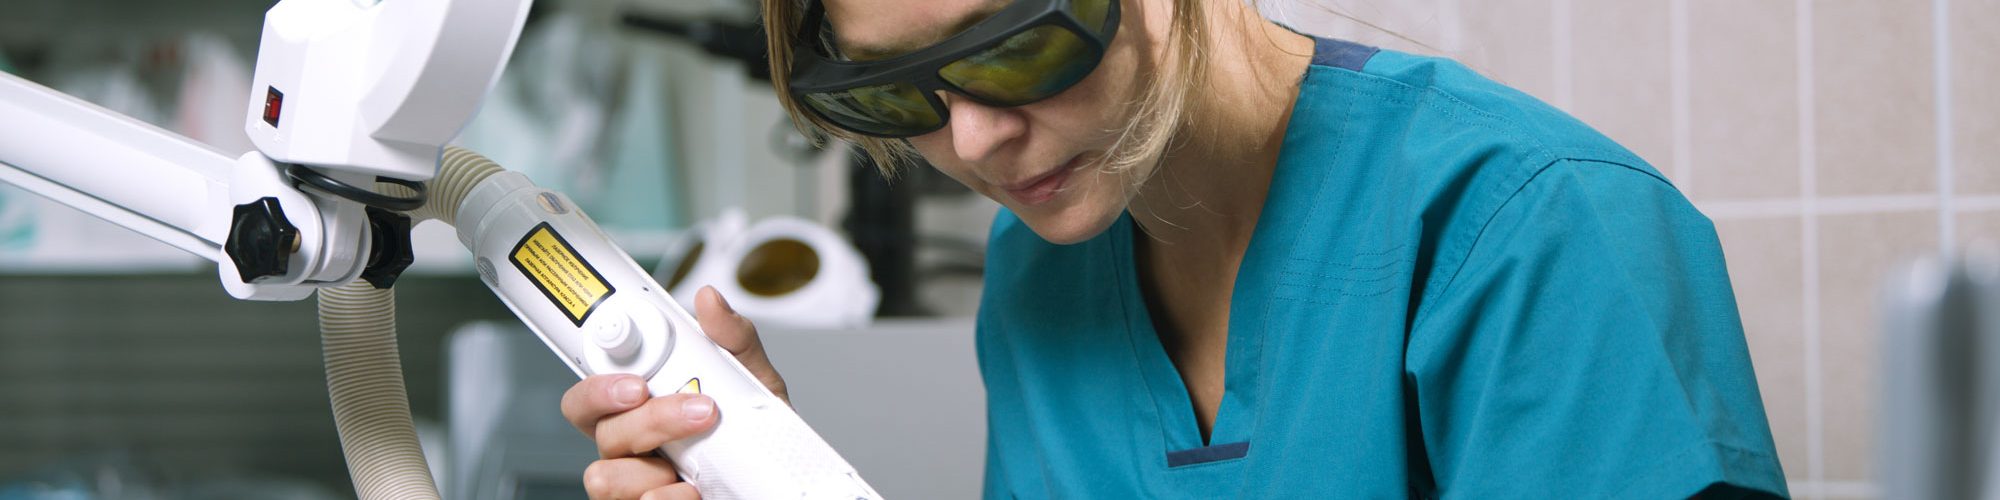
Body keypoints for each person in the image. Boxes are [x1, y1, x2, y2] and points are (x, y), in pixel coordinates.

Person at [562, 0, 1791, 497]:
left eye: (1015, 47)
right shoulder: (1041, 276)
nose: (979, 137)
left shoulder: (1525, 225)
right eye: (897, 97)